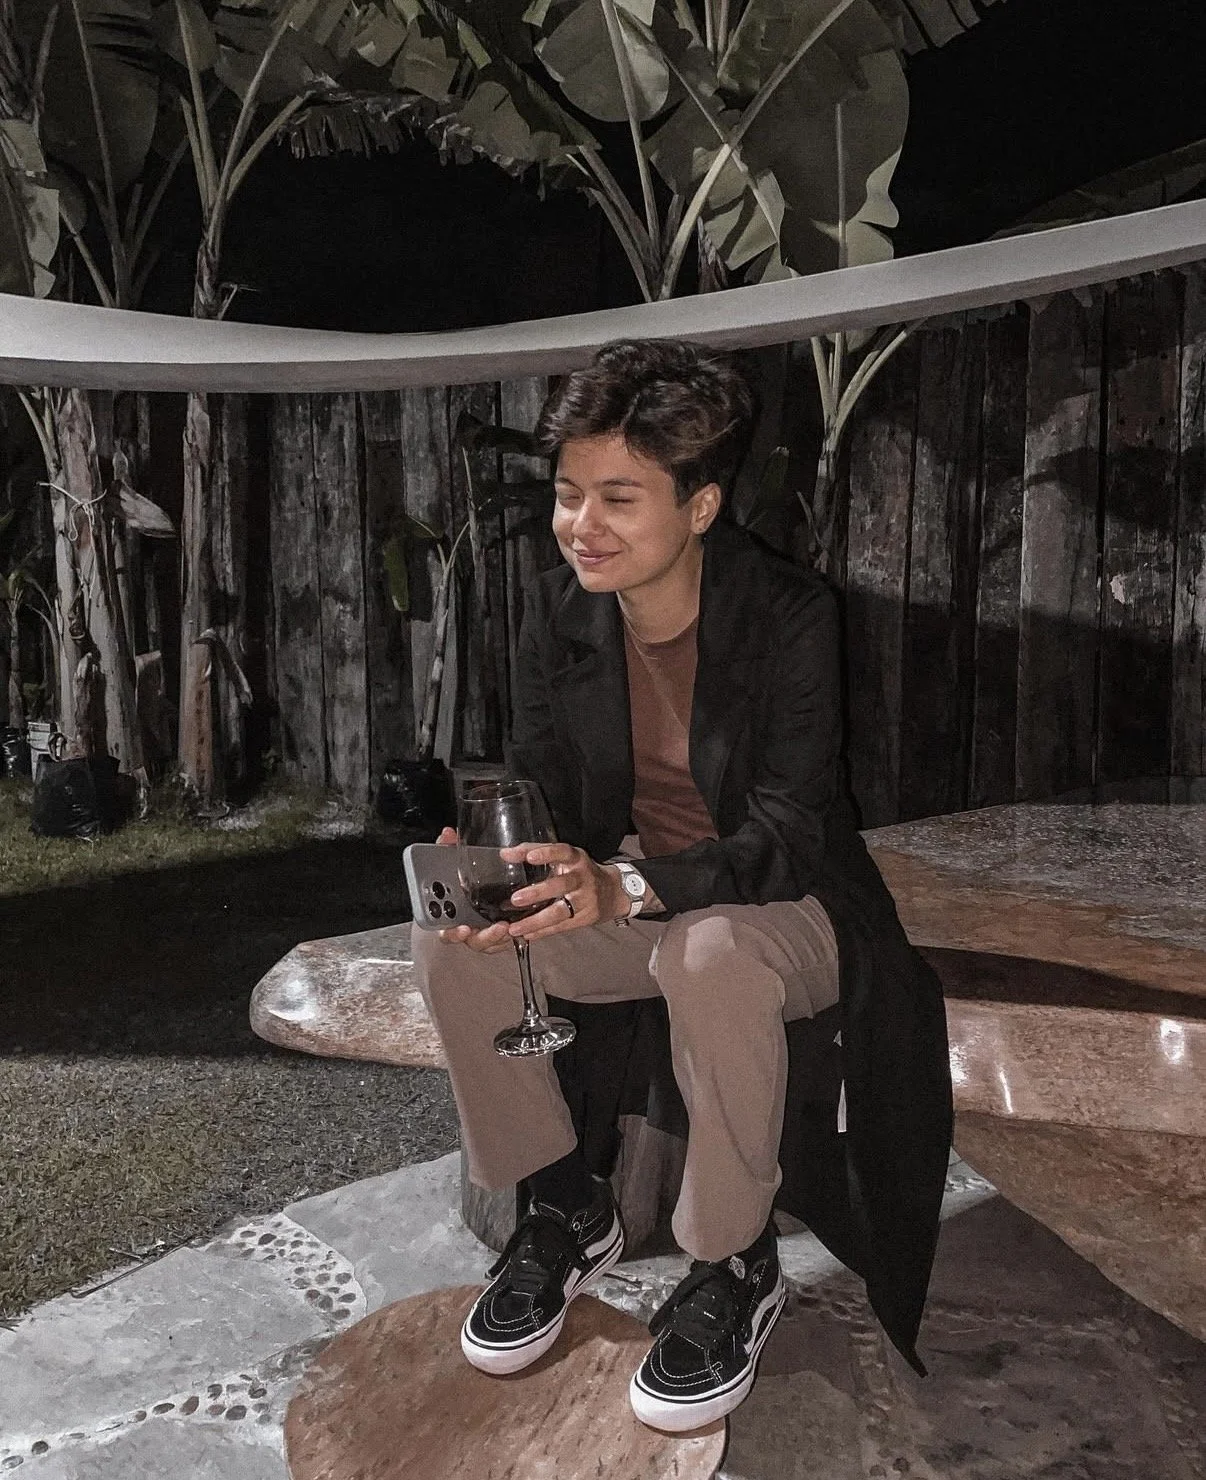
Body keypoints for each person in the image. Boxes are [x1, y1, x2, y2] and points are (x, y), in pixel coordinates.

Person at [412, 338, 953, 1432]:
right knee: (454, 926)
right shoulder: (561, 612)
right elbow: (547, 782)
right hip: (640, 899)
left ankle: (731, 1265)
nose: (581, 525)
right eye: (569, 494)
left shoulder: (790, 616)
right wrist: (518, 858)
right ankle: (563, 1204)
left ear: (700, 505)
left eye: (618, 497)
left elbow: (791, 833)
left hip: (787, 909)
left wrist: (626, 886)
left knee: (705, 954)